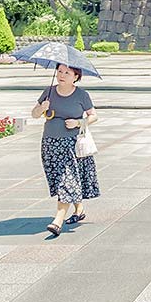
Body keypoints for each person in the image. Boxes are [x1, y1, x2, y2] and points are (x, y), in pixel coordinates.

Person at [32, 62, 100, 238]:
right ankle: (79, 209)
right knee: (62, 179)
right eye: (60, 71)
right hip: (50, 143)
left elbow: (94, 115)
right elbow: (34, 114)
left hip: (71, 144)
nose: (61, 75)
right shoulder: (49, 92)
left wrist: (79, 122)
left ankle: (57, 221)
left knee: (66, 180)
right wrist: (42, 108)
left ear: (76, 77)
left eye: (67, 72)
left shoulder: (82, 95)